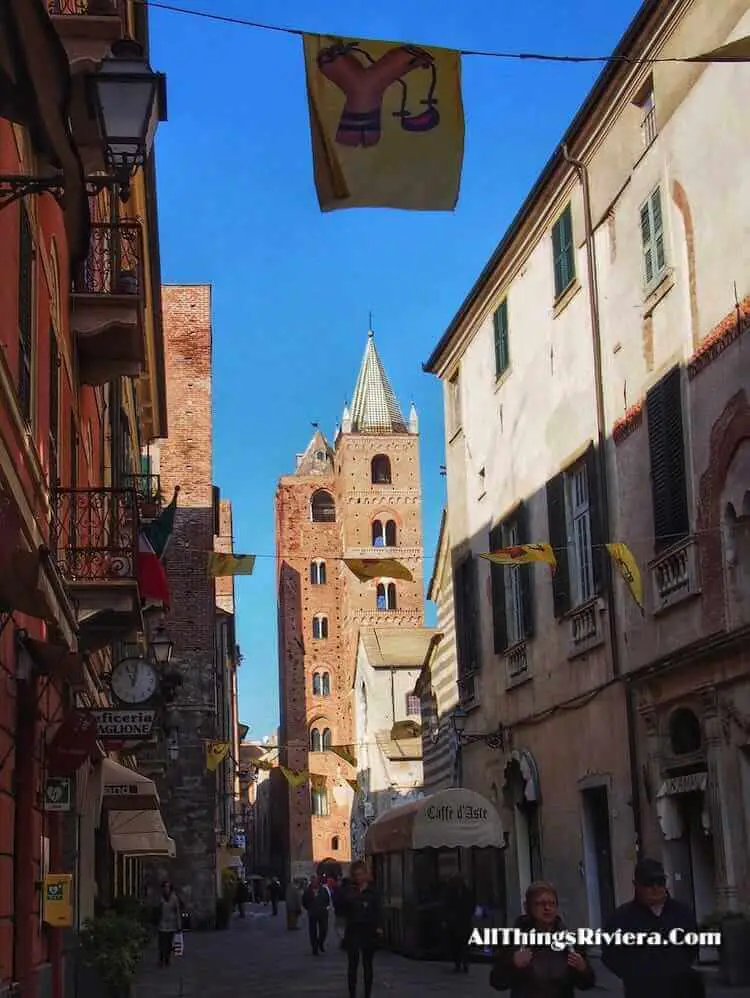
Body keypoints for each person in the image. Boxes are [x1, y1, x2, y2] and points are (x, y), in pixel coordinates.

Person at [601, 858, 703, 998]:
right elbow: (610, 955)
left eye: (660, 882)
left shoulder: (682, 913)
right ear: (636, 885)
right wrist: (633, 974)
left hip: (680, 991)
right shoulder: (621, 919)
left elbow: (692, 947)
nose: (656, 888)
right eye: (649, 883)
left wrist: (678, 967)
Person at [490, 880, 595, 998]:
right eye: (540, 903)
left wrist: (583, 969)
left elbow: (587, 983)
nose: (547, 908)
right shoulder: (514, 939)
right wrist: (512, 963)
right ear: (527, 906)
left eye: (552, 903)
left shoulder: (569, 941)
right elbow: (496, 981)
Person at [340, 860, 383, 998]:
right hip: (353, 930)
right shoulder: (349, 890)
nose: (358, 877)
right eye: (356, 875)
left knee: (368, 965)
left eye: (361, 874)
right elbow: (342, 909)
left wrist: (379, 926)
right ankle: (352, 994)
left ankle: (367, 994)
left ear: (365, 874)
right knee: (352, 965)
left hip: (368, 930)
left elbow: (378, 910)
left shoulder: (373, 890)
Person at [443, 873, 475, 973]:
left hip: (464, 923)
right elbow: (447, 907)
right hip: (455, 924)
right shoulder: (451, 893)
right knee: (456, 945)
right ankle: (458, 964)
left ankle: (465, 964)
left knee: (464, 945)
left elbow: (471, 906)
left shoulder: (467, 893)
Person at [303, 875, 331, 955]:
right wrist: (309, 908)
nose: (314, 882)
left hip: (323, 913)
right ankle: (314, 948)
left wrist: (325, 907)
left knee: (324, 930)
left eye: (315, 880)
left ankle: (320, 942)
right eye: (312, 880)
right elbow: (304, 901)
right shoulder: (307, 891)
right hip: (312, 913)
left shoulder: (323, 890)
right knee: (313, 932)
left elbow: (327, 899)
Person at [157, 881, 182, 968]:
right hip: (162, 923)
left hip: (171, 924)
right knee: (161, 943)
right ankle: (161, 959)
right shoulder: (160, 898)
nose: (166, 889)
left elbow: (177, 911)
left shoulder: (174, 898)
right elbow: (157, 910)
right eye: (165, 887)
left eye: (168, 887)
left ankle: (167, 959)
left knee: (169, 943)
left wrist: (179, 925)